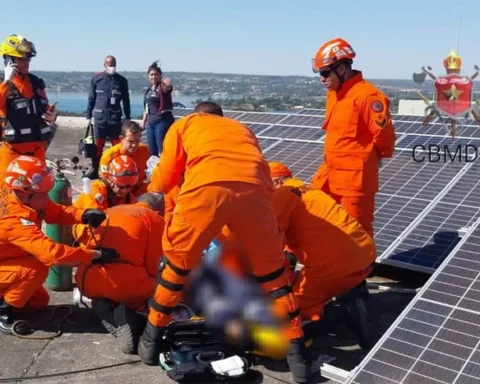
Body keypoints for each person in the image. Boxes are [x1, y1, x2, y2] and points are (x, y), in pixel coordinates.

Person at [142, 101, 311, 384]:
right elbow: (260, 172)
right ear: (221, 117)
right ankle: (299, 363)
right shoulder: (241, 129)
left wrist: (152, 190)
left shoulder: (184, 124)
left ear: (198, 114)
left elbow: (166, 175)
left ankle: (150, 343)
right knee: (275, 279)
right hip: (254, 193)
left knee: (175, 270)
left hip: (206, 190)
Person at [0, 155, 116, 334]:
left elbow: (53, 211)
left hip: (8, 258)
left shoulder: (23, 195)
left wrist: (83, 215)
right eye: (43, 195)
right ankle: (4, 312)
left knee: (38, 301)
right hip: (7, 261)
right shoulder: (13, 220)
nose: (47, 198)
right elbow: (52, 254)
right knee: (37, 268)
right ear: (24, 193)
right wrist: (93, 255)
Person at [268, 162, 375, 323]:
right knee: (299, 282)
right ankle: (348, 298)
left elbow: (270, 240)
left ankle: (338, 316)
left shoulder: (281, 195)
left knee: (284, 309)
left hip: (337, 269)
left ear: (277, 182)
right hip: (366, 257)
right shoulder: (310, 191)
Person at [310, 37, 396, 237]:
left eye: (324, 73)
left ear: (341, 68)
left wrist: (373, 159)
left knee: (356, 232)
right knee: (311, 213)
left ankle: (360, 268)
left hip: (354, 180)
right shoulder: (334, 94)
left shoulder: (368, 96)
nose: (322, 79)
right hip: (330, 172)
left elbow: (384, 136)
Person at [74, 193, 165, 354]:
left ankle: (104, 304)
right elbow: (153, 266)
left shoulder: (110, 210)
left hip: (85, 279)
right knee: (163, 288)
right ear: (158, 210)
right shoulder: (153, 218)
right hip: (123, 284)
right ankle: (131, 319)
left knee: (115, 287)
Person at [0, 34, 57, 173]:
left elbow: (44, 107)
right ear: (9, 59)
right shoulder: (3, 83)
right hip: (13, 149)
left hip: (37, 148)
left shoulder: (36, 82)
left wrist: (51, 116)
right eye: (21, 59)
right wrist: (7, 81)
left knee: (39, 191)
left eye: (28, 58)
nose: (26, 62)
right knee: (6, 190)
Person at [72, 155, 138, 243]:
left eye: (129, 187)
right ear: (111, 180)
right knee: (94, 234)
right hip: (86, 226)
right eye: (121, 187)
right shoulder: (96, 189)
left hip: (108, 228)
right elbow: (94, 220)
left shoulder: (130, 199)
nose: (126, 190)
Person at [86, 55, 131, 176]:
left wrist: (128, 117)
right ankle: (96, 169)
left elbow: (126, 100)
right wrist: (88, 115)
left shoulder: (121, 81)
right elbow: (91, 98)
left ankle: (120, 168)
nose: (112, 67)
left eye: (114, 65)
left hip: (115, 120)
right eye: (110, 65)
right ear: (104, 65)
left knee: (117, 146)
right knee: (98, 146)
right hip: (100, 119)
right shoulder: (96, 79)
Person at [99, 120, 150, 196]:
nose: (134, 145)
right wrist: (117, 188)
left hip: (138, 190)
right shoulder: (109, 156)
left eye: (137, 141)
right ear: (121, 139)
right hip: (117, 193)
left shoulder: (144, 150)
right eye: (130, 141)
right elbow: (104, 178)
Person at [140, 61, 174, 156]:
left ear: (160, 75)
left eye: (156, 74)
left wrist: (168, 85)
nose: (154, 77)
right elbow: (147, 107)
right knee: (152, 150)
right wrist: (143, 122)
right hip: (150, 123)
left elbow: (167, 89)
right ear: (148, 76)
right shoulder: (149, 90)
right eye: (151, 75)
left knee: (162, 150)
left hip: (162, 121)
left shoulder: (161, 86)